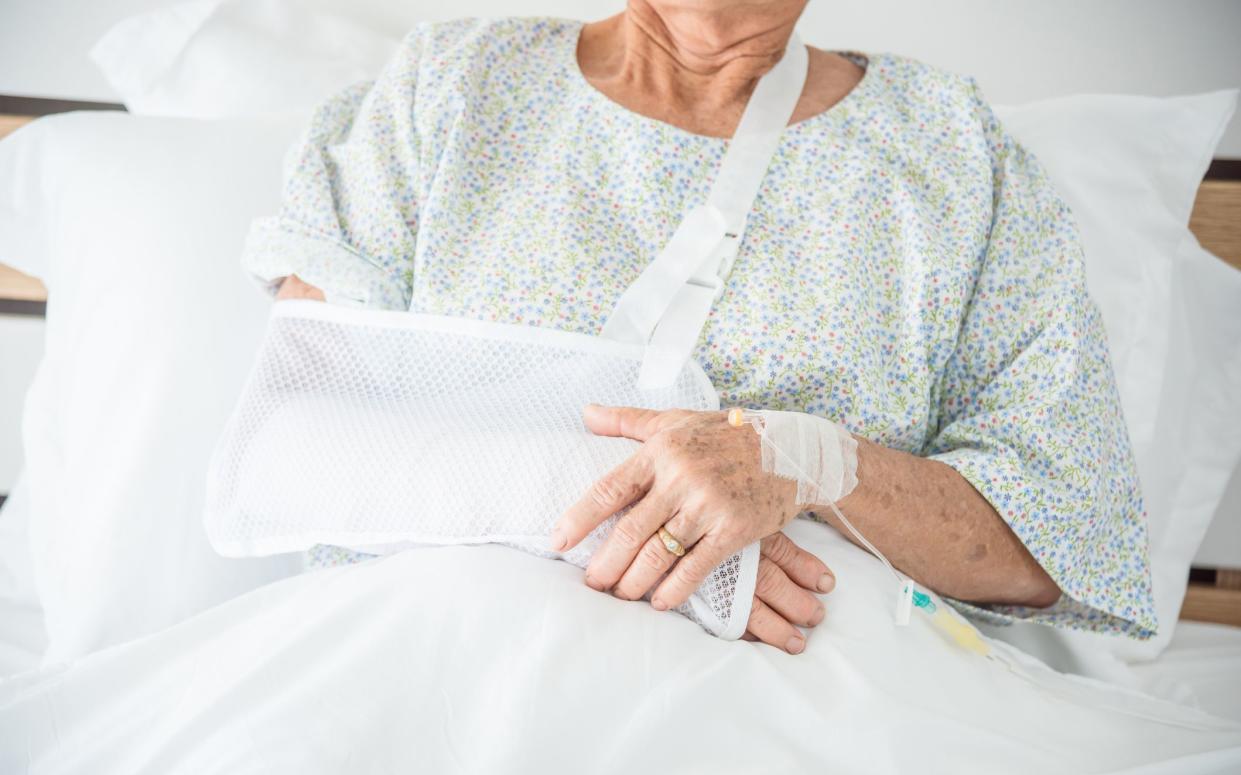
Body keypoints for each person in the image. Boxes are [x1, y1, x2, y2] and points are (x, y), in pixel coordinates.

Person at [245, 1, 1156, 653]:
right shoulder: (445, 90)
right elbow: (295, 446)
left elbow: (1059, 535)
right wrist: (623, 514)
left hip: (813, 688)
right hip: (444, 652)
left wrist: (806, 460)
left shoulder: (954, 152)